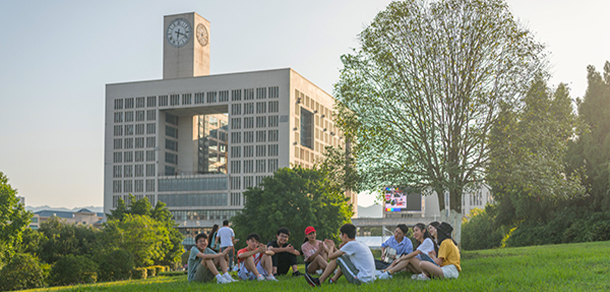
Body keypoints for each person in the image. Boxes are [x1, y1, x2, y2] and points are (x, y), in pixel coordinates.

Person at [304, 224, 376, 286]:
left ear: (344, 235)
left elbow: (331, 256)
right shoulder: (359, 243)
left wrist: (331, 247)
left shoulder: (351, 244)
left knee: (338, 258)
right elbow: (344, 257)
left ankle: (319, 281)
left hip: (361, 280)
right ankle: (332, 280)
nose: (340, 236)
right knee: (344, 258)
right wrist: (335, 248)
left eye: (340, 234)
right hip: (369, 279)